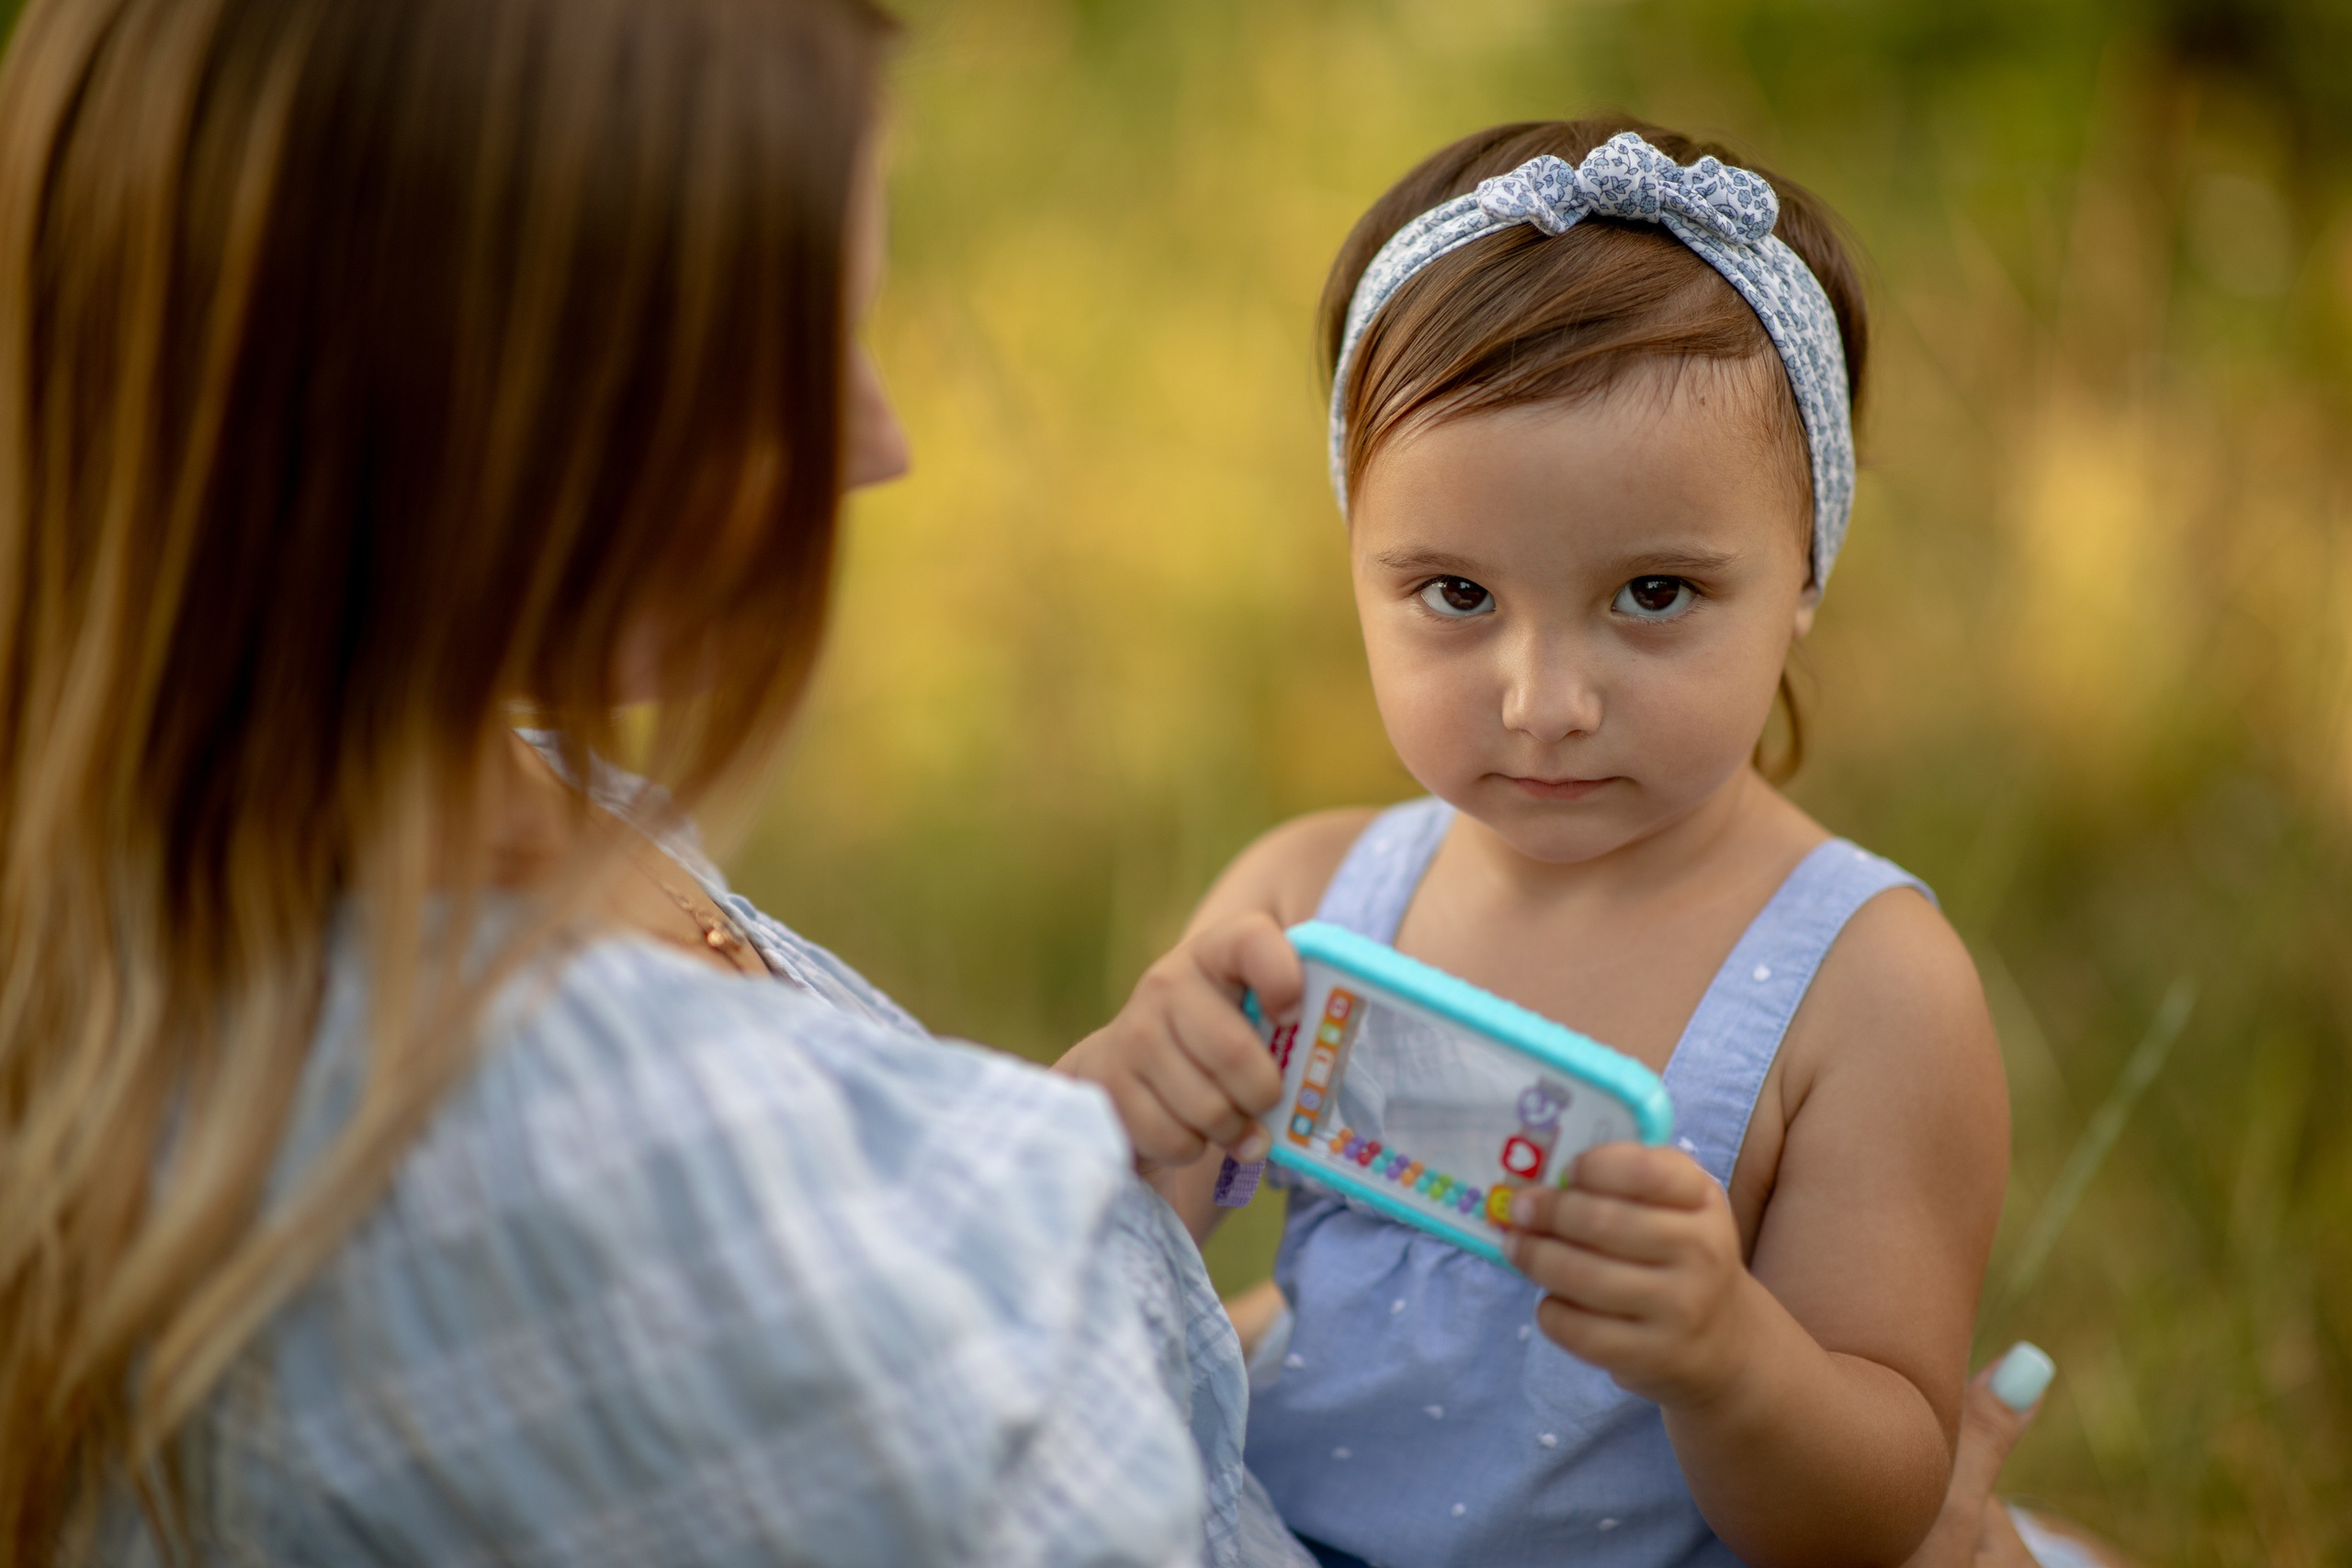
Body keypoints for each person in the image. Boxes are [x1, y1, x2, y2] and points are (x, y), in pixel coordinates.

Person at [0, 0, 1317, 1562]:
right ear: (468, 405)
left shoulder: (460, 796)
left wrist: (1112, 1224)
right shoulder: (557, 1150)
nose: (878, 446)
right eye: (782, 367)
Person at [1060, 119, 2011, 1567]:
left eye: (1652, 593)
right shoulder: (1305, 900)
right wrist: (1129, 1127)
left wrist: (1728, 1358)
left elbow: (1874, 1508)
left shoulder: (1871, 990)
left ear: (1806, 567)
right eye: (1453, 593)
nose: (1545, 703)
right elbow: (1082, 1308)